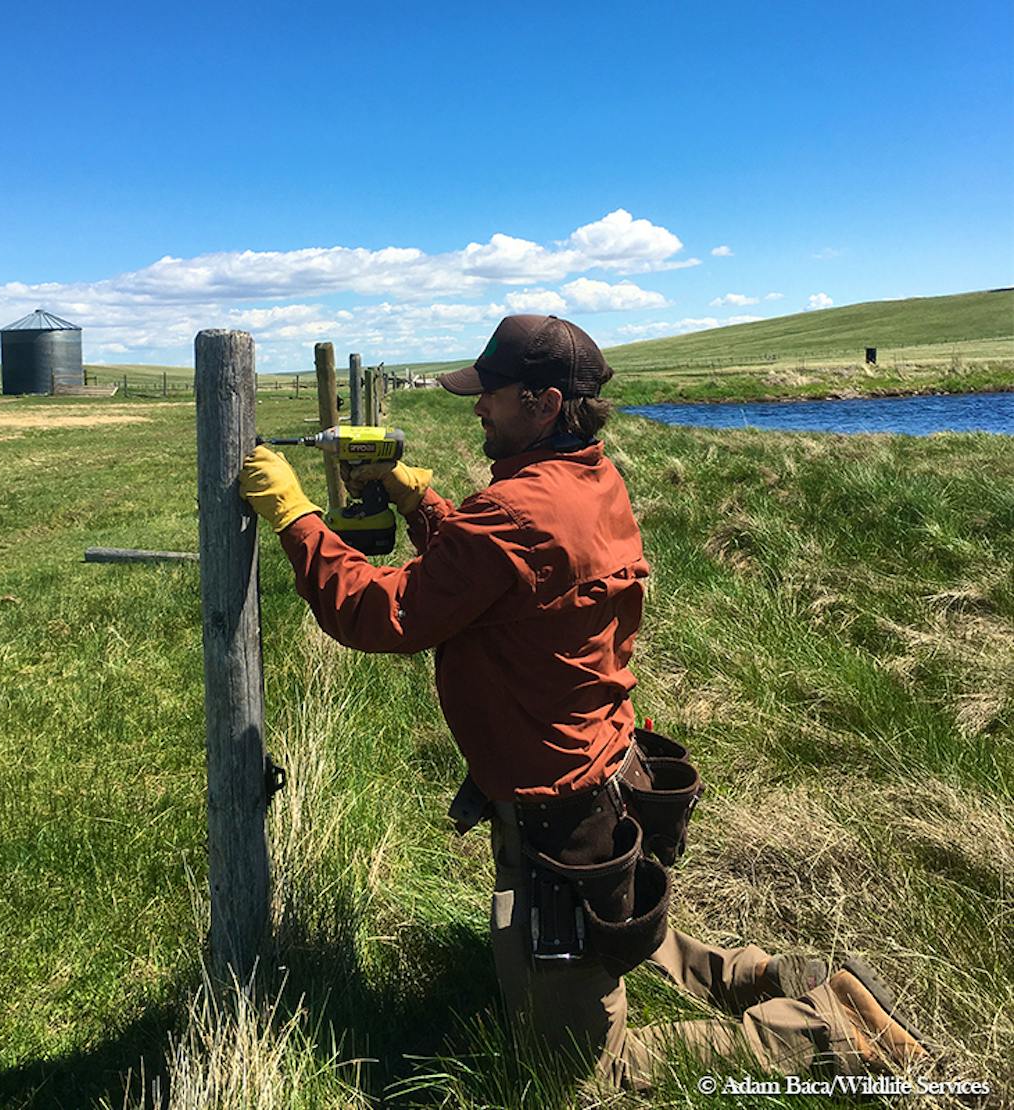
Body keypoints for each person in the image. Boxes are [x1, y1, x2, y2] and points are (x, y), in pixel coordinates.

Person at [239, 314, 928, 1091]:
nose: (477, 408)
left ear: (541, 402)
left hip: (555, 813)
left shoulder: (515, 511)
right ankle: (770, 973)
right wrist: (417, 502)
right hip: (603, 774)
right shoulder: (589, 479)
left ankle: (822, 1032)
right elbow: (498, 577)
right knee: (612, 921)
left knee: (572, 1074)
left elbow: (384, 615)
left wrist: (296, 519)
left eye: (490, 395)